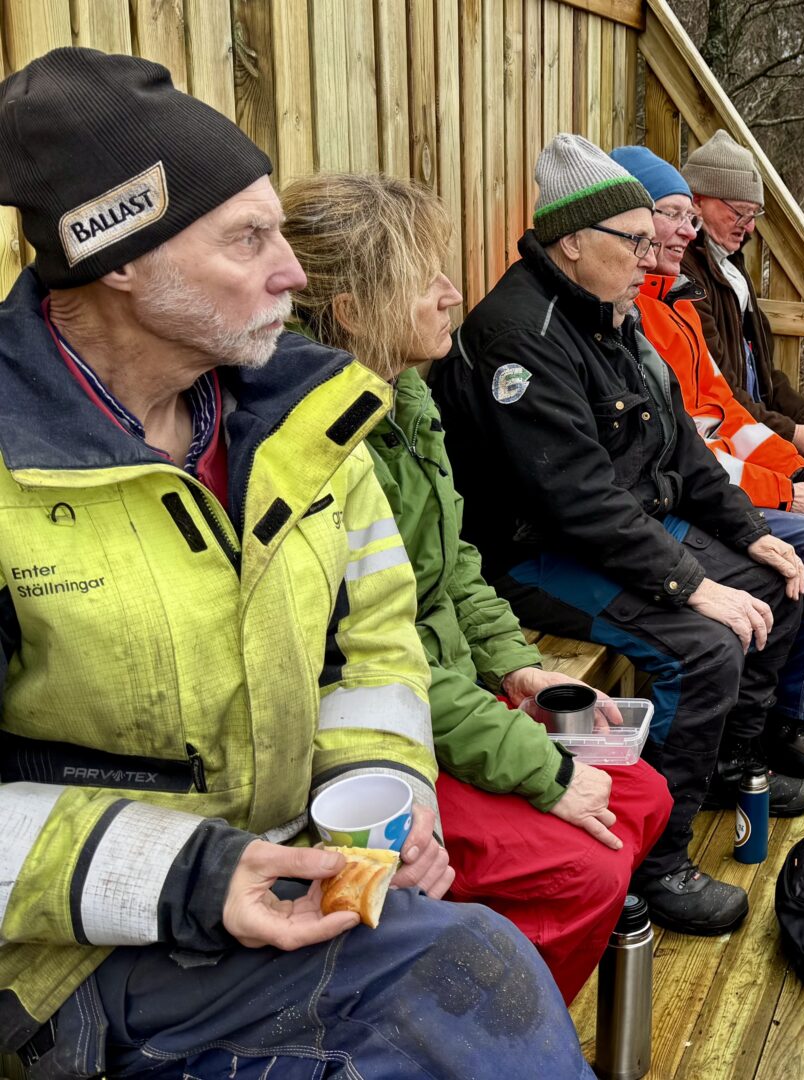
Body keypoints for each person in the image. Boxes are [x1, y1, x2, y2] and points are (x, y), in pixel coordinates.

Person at [0, 49, 589, 1078]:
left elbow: (375, 647)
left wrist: (381, 792)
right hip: (69, 958)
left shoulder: (304, 423)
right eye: (248, 238)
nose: (294, 273)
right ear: (116, 258)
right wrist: (182, 872)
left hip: (290, 886)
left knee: (482, 984)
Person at [281, 171, 677, 999]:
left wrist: (516, 667)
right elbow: (386, 663)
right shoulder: (323, 454)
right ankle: (481, 1016)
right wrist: (545, 771)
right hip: (379, 738)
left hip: (453, 687)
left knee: (640, 791)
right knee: (587, 867)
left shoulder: (408, 399)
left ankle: (501, 974)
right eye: (424, 278)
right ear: (352, 311)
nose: (452, 293)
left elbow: (457, 565)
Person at [432, 134, 804, 936]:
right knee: (701, 648)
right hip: (536, 554)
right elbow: (575, 501)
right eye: (634, 241)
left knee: (777, 580)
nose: (652, 257)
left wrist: (748, 534)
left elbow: (681, 447)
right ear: (573, 242)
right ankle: (654, 861)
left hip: (617, 527)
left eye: (650, 239)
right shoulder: (519, 339)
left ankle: (719, 771)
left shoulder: (613, 314)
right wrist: (694, 586)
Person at [614, 146, 804, 794]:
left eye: (689, 218)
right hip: (679, 509)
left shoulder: (679, 300)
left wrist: (798, 474)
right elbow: (686, 449)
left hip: (718, 482)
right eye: (672, 217)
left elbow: (729, 408)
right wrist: (787, 484)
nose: (687, 233)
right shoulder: (636, 318)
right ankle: (800, 725)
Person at [678, 130, 804, 481]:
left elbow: (765, 375)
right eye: (739, 213)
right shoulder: (686, 278)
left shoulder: (730, 267)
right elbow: (721, 392)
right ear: (697, 201)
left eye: (754, 214)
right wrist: (795, 435)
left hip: (760, 427)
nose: (749, 227)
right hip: (734, 443)